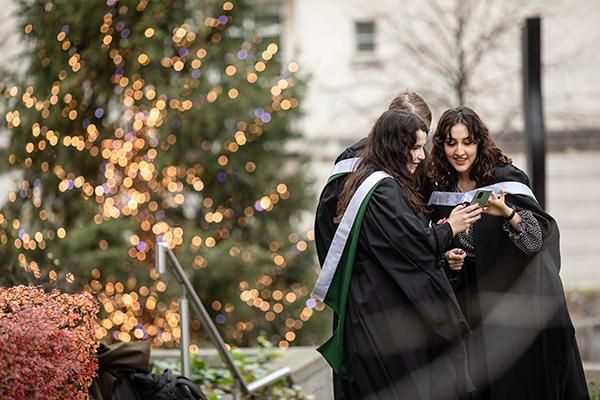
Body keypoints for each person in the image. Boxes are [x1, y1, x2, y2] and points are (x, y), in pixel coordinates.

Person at [312, 108, 483, 399]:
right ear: (395, 146)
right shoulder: (383, 190)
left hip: (373, 308)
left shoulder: (369, 181)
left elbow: (396, 248)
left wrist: (439, 245)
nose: (421, 155)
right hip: (382, 317)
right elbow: (414, 245)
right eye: (415, 147)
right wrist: (450, 228)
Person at [426, 106, 589, 400]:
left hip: (511, 305)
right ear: (441, 145)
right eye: (451, 142)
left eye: (467, 142)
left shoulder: (505, 180)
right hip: (467, 309)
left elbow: (535, 242)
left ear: (479, 142)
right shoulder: (438, 188)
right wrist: (450, 259)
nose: (459, 151)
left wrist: (507, 213)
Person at [314, 91, 433, 269]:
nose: (418, 150)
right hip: (363, 273)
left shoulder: (422, 162)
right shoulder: (352, 162)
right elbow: (328, 221)